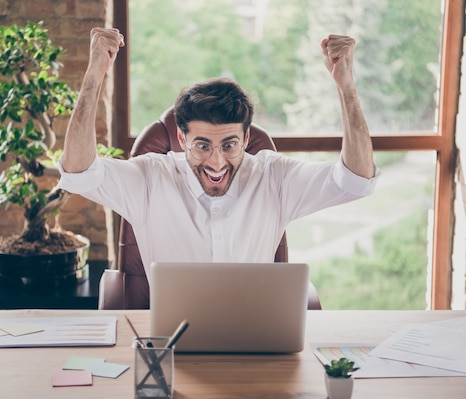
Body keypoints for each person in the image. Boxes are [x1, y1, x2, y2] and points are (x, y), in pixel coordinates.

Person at [58, 27, 379, 275]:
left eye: (229, 145)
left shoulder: (273, 176)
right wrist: (94, 75)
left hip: (256, 343)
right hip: (171, 347)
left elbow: (356, 180)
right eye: (202, 145)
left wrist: (346, 85)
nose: (216, 161)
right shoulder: (150, 178)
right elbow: (78, 173)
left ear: (246, 137)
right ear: (181, 140)